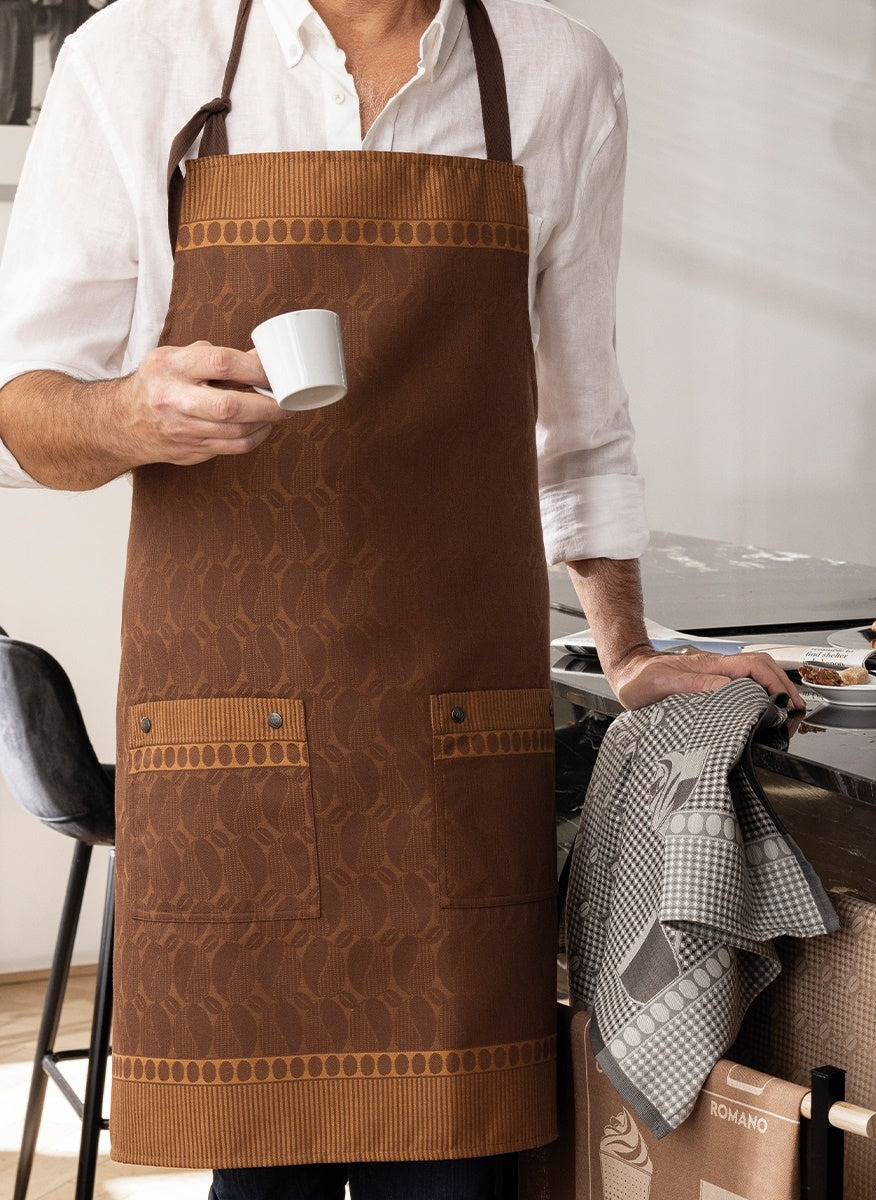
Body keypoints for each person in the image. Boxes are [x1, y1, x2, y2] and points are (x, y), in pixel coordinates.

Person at [0, 1, 801, 1197]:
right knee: (260, 1168)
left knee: (462, 1165)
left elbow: (578, 404)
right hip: (232, 729)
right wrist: (130, 413)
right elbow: (23, 415)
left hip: (451, 738)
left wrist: (626, 647)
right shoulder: (137, 56)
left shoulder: (557, 74)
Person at [0, 0, 33, 125]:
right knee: (9, 59)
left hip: (21, 6)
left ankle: (19, 112)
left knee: (22, 61)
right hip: (7, 7)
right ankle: (7, 114)